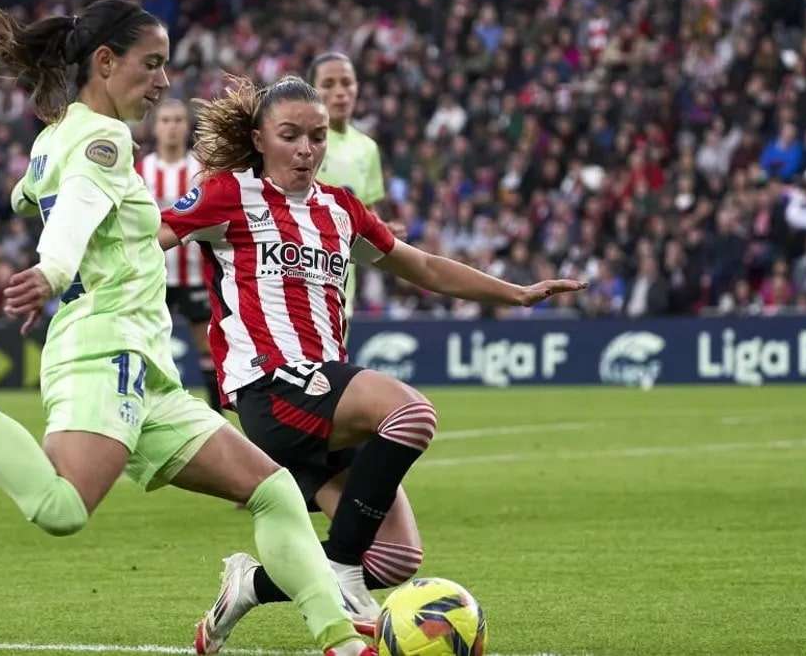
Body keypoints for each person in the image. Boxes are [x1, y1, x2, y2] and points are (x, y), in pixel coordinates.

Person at [0, 0, 375, 656]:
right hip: (103, 347)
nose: (164, 82)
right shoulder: (104, 138)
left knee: (274, 493)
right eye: (152, 65)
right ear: (105, 61)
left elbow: (34, 191)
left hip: (146, 367)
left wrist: (36, 202)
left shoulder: (54, 140)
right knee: (61, 509)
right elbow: (77, 208)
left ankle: (342, 642)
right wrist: (54, 271)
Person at [158, 75, 585, 647]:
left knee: (396, 556)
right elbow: (150, 235)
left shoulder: (341, 209)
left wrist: (515, 293)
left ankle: (251, 585)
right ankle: (338, 571)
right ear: (259, 138)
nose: (306, 149)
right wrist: (69, 274)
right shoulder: (228, 195)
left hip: (324, 394)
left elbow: (426, 268)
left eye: (315, 136)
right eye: (290, 135)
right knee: (411, 415)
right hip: (270, 385)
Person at [135, 99, 221, 410]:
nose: (172, 126)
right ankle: (147, 408)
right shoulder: (141, 170)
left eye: (178, 120)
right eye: (166, 120)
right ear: (156, 127)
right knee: (149, 343)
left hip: (195, 273)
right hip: (153, 272)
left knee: (208, 347)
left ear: (187, 126)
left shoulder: (201, 171)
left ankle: (216, 415)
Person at [308, 53, 388, 321]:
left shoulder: (367, 149)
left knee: (337, 359)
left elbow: (368, 213)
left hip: (343, 280)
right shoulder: (301, 142)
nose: (340, 92)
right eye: (328, 84)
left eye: (347, 83)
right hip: (299, 271)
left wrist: (383, 229)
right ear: (312, 91)